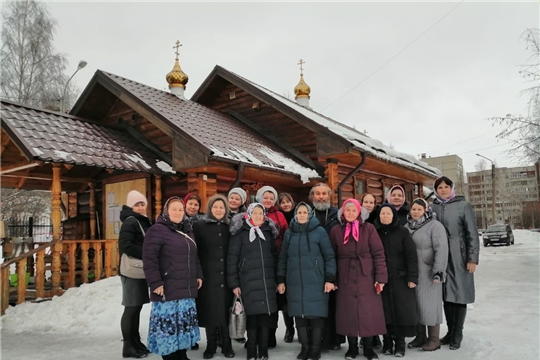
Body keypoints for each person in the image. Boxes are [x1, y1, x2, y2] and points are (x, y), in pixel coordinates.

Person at [143, 197, 203, 360]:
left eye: (180, 210)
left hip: (186, 287)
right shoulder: (156, 230)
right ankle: (170, 357)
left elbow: (194, 256)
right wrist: (155, 282)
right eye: (174, 209)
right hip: (167, 287)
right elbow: (149, 259)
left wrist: (198, 275)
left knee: (182, 326)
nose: (177, 212)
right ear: (166, 211)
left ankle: (181, 355)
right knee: (168, 328)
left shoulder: (187, 230)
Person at [277, 202, 337, 360]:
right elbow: (283, 258)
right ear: (296, 214)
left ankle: (315, 349)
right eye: (299, 212)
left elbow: (329, 256)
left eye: (305, 212)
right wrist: (281, 280)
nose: (302, 214)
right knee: (300, 316)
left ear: (310, 214)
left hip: (316, 281)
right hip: (295, 281)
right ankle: (305, 348)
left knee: (316, 317)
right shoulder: (290, 234)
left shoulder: (320, 232)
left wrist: (330, 279)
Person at [330, 199, 387, 360]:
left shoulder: (368, 229)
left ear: (359, 212)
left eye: (353, 210)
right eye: (347, 210)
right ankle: (352, 348)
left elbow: (378, 253)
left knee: (367, 313)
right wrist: (332, 279)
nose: (350, 213)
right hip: (345, 277)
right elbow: (331, 256)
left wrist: (381, 277)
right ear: (343, 212)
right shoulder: (335, 231)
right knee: (348, 313)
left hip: (366, 277)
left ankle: (368, 347)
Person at [431, 176, 479, 350]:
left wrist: (472, 258)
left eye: (446, 187)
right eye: (440, 187)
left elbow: (472, 233)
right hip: (441, 255)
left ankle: (458, 333)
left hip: (459, 254)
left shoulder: (463, 205)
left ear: (451, 188)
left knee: (460, 295)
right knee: (445, 295)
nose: (443, 190)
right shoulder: (433, 206)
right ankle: (450, 332)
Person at [228, 203, 279, 360]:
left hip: (267, 282)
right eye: (254, 213)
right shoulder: (240, 233)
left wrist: (277, 280)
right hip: (247, 282)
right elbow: (232, 259)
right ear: (248, 214)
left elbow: (274, 257)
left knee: (265, 318)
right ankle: (251, 350)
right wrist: (234, 283)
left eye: (260, 213)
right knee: (252, 318)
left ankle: (263, 350)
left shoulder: (267, 232)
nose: (258, 216)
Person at [193, 195, 235, 359]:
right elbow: (195, 252)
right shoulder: (199, 226)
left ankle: (226, 344)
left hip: (226, 276)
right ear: (210, 208)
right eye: (215, 207)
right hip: (207, 276)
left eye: (222, 207)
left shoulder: (230, 226)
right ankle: (210, 345)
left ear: (226, 210)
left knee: (226, 311)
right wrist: (198, 273)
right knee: (210, 310)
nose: (219, 210)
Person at [374, 204, 418, 357]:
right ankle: (386, 341)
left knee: (401, 311)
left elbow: (411, 256)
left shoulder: (403, 232)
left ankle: (400, 343)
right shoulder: (375, 232)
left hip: (401, 278)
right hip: (381, 279)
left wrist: (412, 277)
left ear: (393, 215)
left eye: (388, 213)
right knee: (384, 310)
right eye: (382, 213)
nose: (385, 216)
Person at [405, 198, 448, 352]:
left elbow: (441, 249)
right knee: (416, 304)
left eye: (419, 209)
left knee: (430, 305)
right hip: (413, 273)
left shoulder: (435, 226)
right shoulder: (407, 226)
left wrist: (438, 271)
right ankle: (420, 336)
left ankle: (434, 339)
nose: (415, 212)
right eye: (413, 209)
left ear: (426, 210)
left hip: (429, 272)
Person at [119, 190, 152, 359]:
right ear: (131, 206)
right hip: (131, 271)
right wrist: (147, 253)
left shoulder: (141, 221)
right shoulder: (130, 222)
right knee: (131, 308)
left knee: (137, 307)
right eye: (136, 205)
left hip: (139, 270)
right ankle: (128, 346)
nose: (140, 207)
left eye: (142, 204)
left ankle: (136, 341)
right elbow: (125, 245)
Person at [309, 183, 342, 351]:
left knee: (333, 303)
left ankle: (334, 338)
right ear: (312, 196)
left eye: (324, 194)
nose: (321, 196)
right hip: (312, 265)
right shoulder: (307, 214)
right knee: (316, 303)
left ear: (329, 196)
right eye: (317, 194)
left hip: (334, 262)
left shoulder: (337, 214)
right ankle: (316, 340)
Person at [256, 186, 290, 347]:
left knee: (274, 300)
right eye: (265, 197)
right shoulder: (252, 212)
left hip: (275, 260)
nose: (268, 200)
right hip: (257, 261)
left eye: (271, 197)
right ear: (259, 198)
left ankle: (271, 333)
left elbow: (286, 235)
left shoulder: (279, 215)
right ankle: (256, 334)